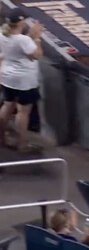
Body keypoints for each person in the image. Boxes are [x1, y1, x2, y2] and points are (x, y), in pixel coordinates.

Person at [0, 8, 43, 152]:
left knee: (7, 106)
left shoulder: (2, 34)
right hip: (24, 80)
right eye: (24, 19)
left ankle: (2, 139)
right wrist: (36, 38)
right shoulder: (23, 39)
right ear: (20, 22)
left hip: (7, 77)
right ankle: (22, 144)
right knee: (22, 112)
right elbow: (36, 55)